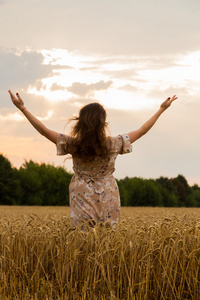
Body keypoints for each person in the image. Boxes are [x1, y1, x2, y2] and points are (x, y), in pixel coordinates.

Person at [8, 90, 178, 227]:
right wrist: (161, 109)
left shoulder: (73, 144)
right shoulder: (113, 144)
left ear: (80, 122)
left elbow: (43, 131)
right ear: (103, 123)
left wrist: (23, 108)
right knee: (107, 239)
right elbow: (142, 130)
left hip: (80, 192)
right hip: (108, 192)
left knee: (81, 240)